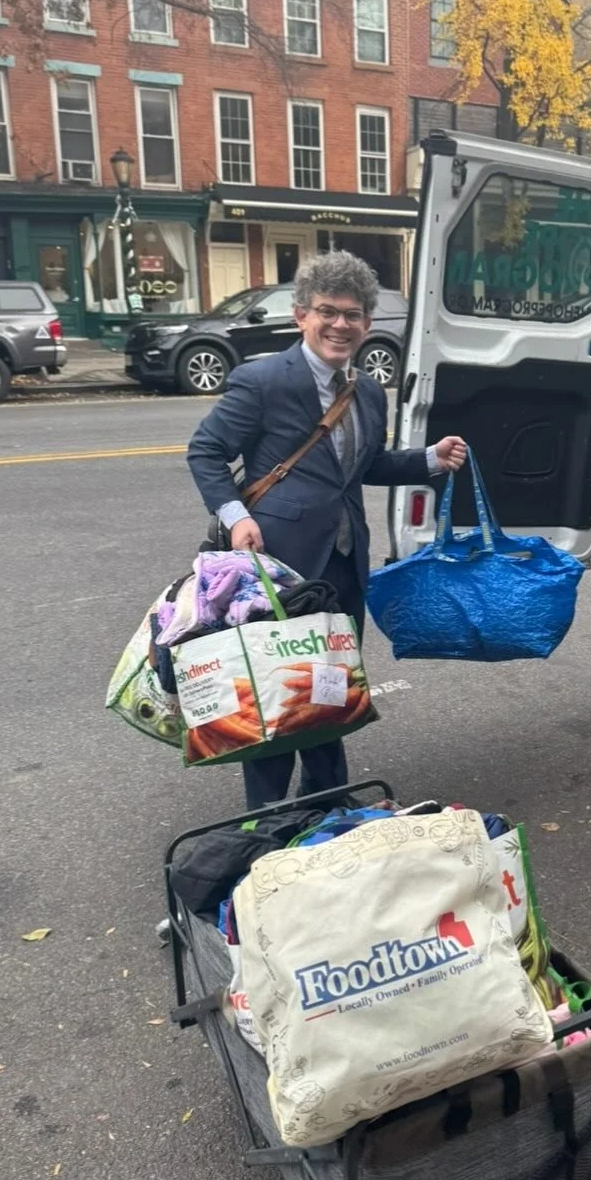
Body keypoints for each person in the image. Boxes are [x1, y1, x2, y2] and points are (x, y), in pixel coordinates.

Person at [187, 250, 467, 809]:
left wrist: (430, 459)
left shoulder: (364, 390)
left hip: (341, 565)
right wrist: (237, 518)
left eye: (354, 314)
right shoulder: (263, 380)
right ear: (301, 316)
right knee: (275, 689)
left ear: (367, 323)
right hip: (278, 566)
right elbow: (206, 452)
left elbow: (366, 468)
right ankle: (267, 817)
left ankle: (328, 801)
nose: (341, 325)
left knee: (329, 686)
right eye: (328, 311)